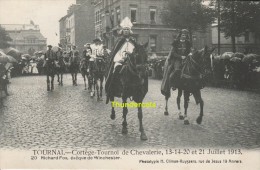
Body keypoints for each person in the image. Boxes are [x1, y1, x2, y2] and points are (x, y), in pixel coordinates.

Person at [105, 17, 139, 102]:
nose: (126, 31)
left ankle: (138, 91)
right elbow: (116, 51)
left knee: (139, 72)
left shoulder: (133, 40)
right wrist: (120, 59)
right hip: (120, 60)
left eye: (127, 29)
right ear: (122, 31)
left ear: (130, 31)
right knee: (116, 70)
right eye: (124, 29)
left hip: (132, 60)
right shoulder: (119, 40)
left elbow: (136, 50)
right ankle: (113, 89)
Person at [161, 29, 192, 98]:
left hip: (186, 58)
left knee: (191, 70)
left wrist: (189, 54)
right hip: (177, 59)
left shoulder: (188, 43)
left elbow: (189, 51)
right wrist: (180, 56)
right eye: (183, 35)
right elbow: (173, 53)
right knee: (177, 69)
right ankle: (174, 84)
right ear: (180, 35)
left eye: (185, 35)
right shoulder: (175, 42)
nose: (184, 36)